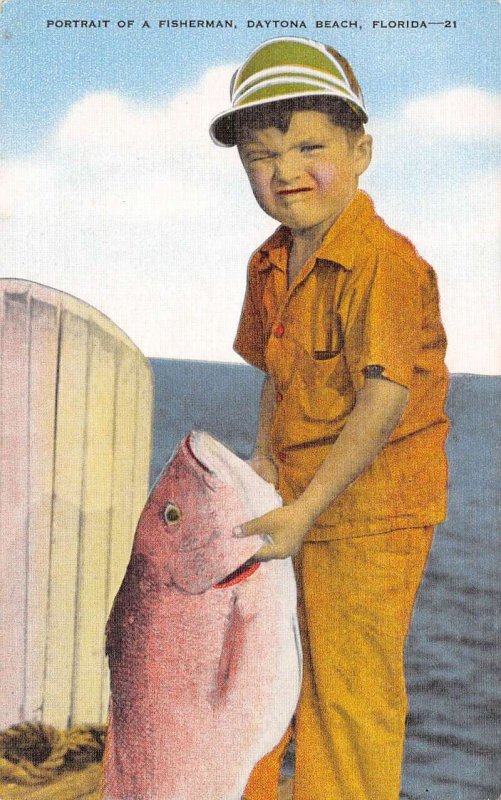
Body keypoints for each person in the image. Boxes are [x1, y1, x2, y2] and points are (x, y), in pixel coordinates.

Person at [209, 37, 449, 800]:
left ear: (361, 150)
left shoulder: (387, 262)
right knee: (251, 680)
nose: (282, 171)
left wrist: (307, 508)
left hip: (369, 515)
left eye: (308, 146)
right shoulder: (268, 262)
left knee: (345, 698)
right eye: (260, 153)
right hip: (295, 504)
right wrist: (264, 469)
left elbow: (386, 397)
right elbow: (278, 380)